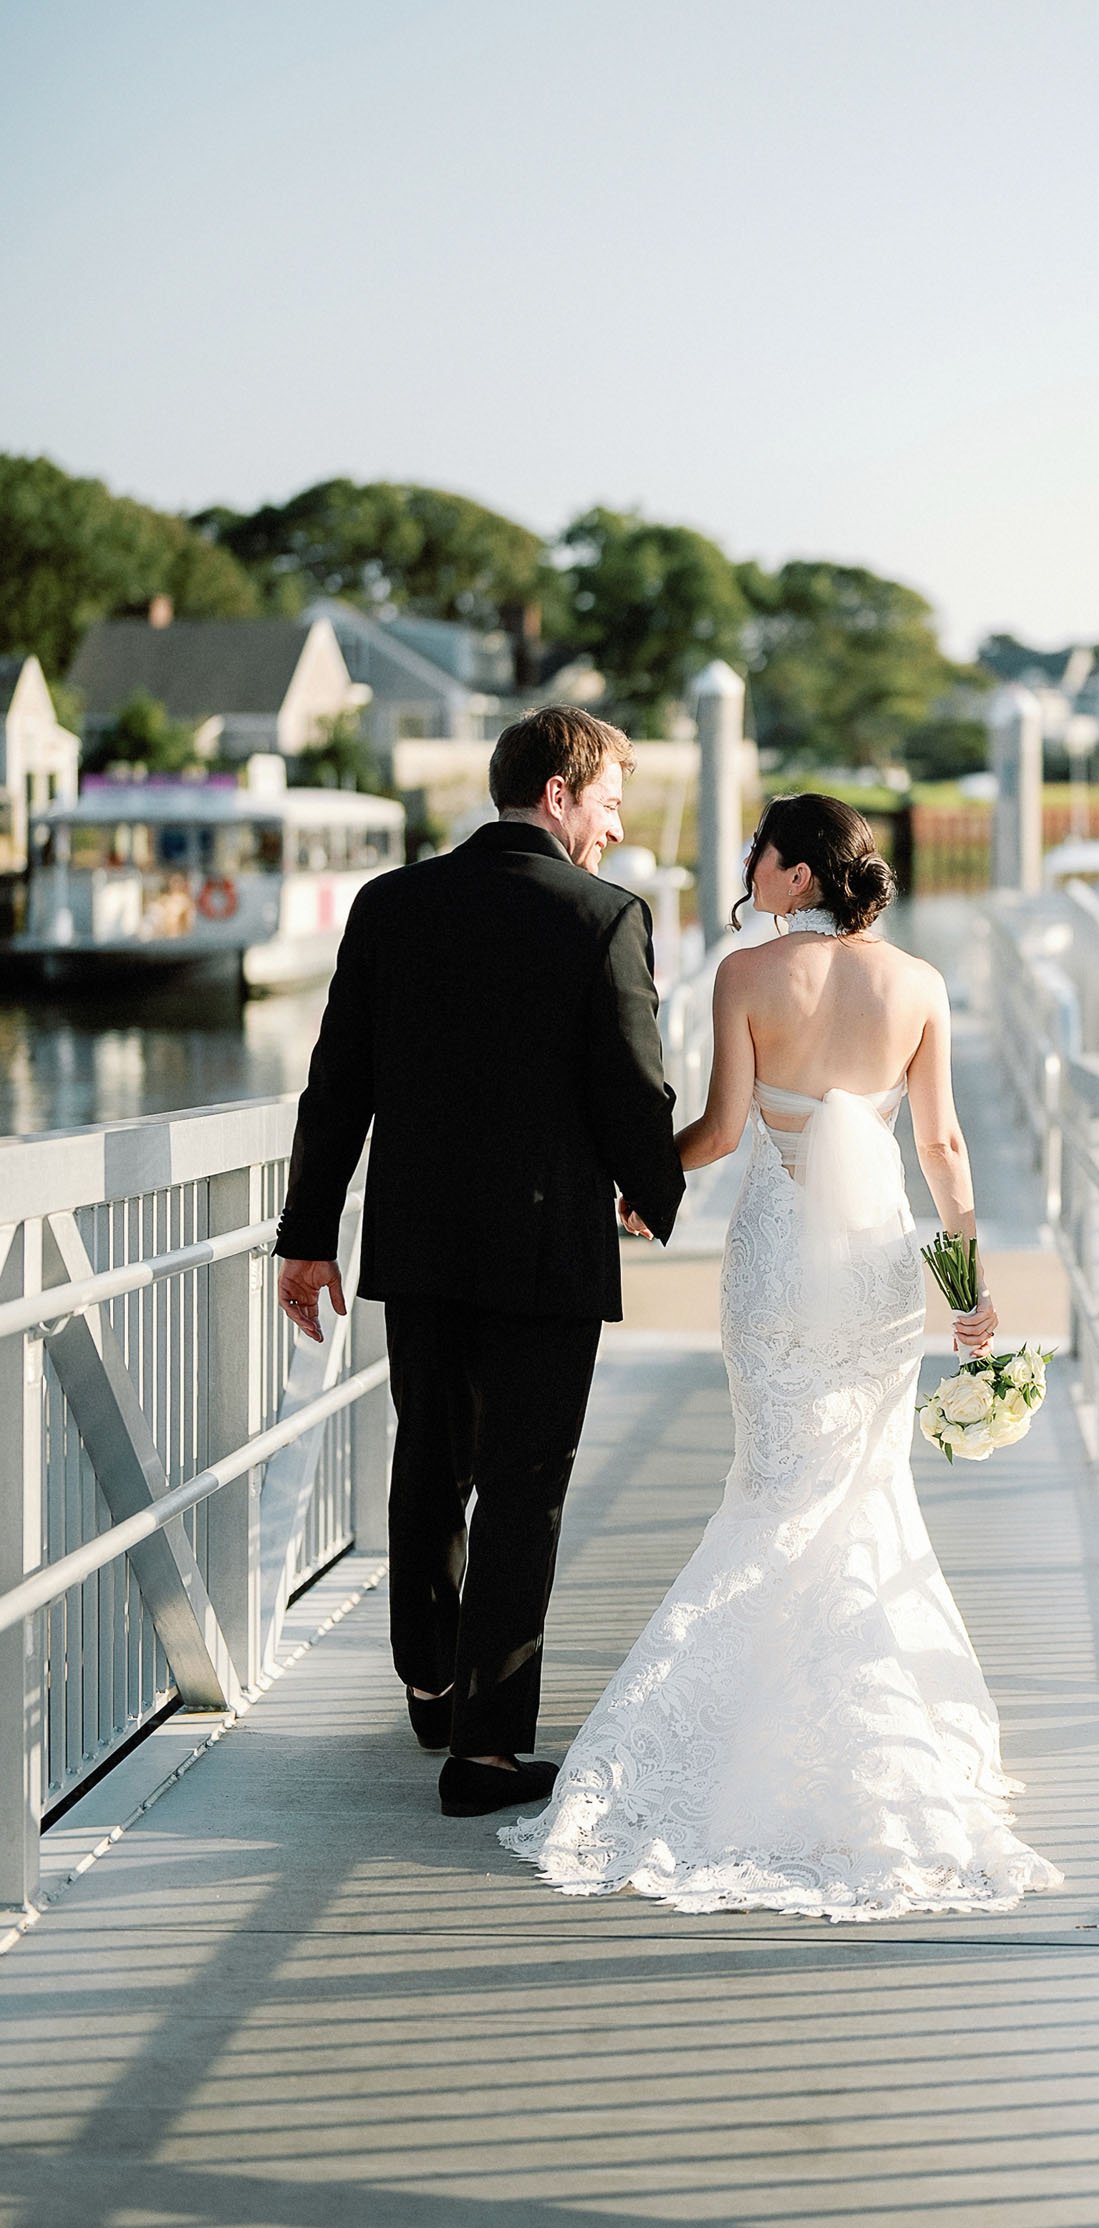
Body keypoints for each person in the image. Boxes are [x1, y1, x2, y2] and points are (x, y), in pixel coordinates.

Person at [502, 792, 1061, 1918]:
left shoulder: (748, 978)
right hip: (873, 1280)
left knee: (769, 1489)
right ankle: (876, 1731)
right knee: (861, 1493)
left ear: (799, 873)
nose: (745, 867)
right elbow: (941, 1148)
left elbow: (714, 1134)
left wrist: (630, 1182)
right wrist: (966, 1287)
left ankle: (739, 1729)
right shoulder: (918, 986)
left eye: (757, 851)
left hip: (769, 1267)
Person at [273, 707, 684, 1818]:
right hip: (546, 1251)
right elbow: (632, 1087)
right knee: (521, 1491)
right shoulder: (604, 917)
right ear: (558, 793)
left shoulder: (389, 904)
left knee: (430, 1457)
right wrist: (657, 1189)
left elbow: (336, 1083)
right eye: (605, 799)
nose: (611, 823)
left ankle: (428, 1677)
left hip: (416, 1242)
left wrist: (306, 1235)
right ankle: (486, 1754)